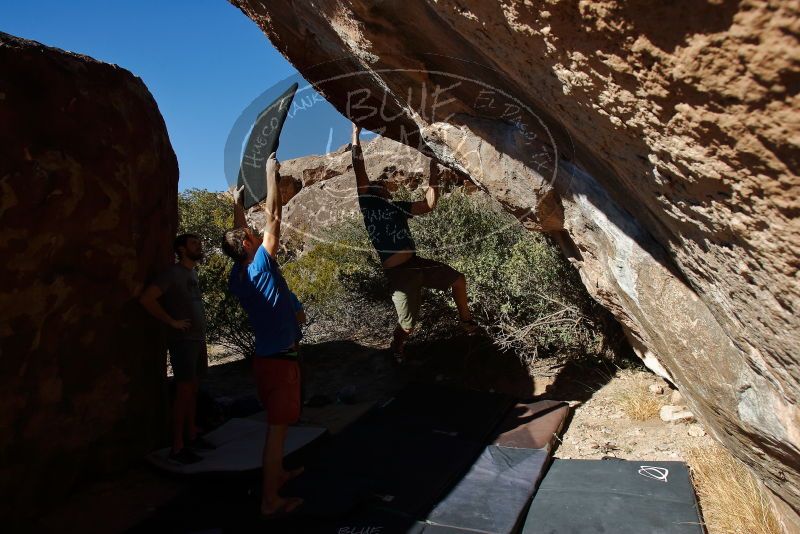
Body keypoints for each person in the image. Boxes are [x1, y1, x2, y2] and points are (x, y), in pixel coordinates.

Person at [350, 123, 478, 363]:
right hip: (400, 275)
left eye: (383, 186)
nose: (382, 187)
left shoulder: (398, 207)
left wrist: (433, 172)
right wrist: (355, 135)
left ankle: (467, 323)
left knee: (458, 280)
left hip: (417, 264)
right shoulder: (368, 204)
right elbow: (359, 168)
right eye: (378, 185)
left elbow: (428, 205)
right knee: (407, 325)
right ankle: (396, 347)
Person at [222, 152, 304, 518]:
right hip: (280, 364)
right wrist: (271, 177)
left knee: (278, 427)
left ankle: (280, 475)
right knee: (277, 433)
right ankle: (270, 501)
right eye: (252, 235)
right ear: (250, 247)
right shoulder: (259, 264)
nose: (255, 232)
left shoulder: (239, 276)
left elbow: (242, 237)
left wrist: (238, 204)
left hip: (265, 362)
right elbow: (274, 218)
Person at [139, 233, 214, 464]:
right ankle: (177, 446)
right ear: (181, 249)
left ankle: (191, 434)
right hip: (183, 341)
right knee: (183, 393)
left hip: (197, 339)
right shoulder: (172, 273)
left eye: (199, 242)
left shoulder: (191, 273)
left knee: (193, 389)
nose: (199, 245)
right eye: (194, 243)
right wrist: (172, 322)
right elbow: (147, 298)